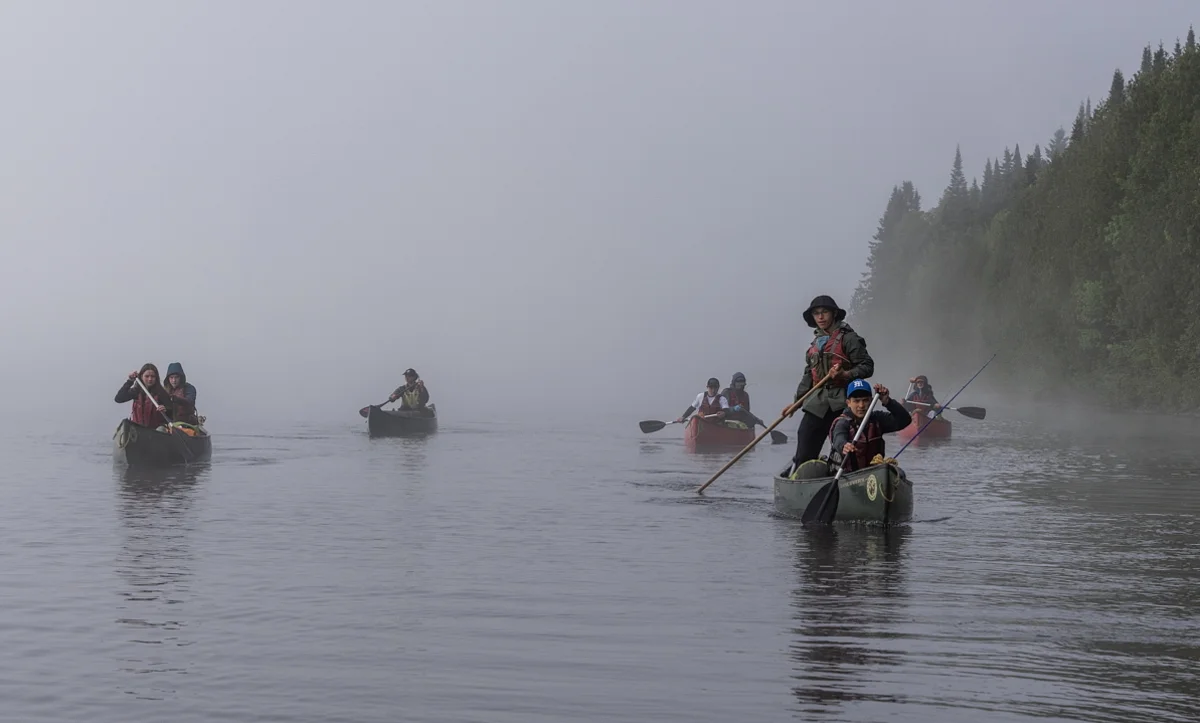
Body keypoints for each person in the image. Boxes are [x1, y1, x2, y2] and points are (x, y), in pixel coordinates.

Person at [783, 295, 875, 470]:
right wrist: (796, 403)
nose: (820, 317)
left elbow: (867, 367)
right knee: (805, 442)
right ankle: (802, 474)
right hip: (817, 403)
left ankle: (845, 475)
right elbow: (808, 376)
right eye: (816, 313)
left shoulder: (849, 339)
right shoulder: (814, 345)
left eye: (824, 312)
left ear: (833, 314)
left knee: (843, 448)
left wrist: (845, 374)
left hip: (843, 403)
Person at [827, 379, 912, 472]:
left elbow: (905, 420)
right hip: (847, 475)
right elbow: (838, 437)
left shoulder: (877, 419)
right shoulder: (842, 422)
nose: (861, 405)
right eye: (856, 401)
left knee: (899, 473)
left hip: (873, 473)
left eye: (865, 400)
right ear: (848, 403)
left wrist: (888, 402)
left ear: (871, 401)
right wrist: (844, 445)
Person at [114, 363, 170, 428]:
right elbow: (118, 399)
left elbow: (171, 411)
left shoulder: (161, 393)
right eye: (147, 376)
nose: (150, 379)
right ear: (141, 377)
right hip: (138, 430)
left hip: (156, 432)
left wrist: (165, 409)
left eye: (153, 376)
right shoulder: (136, 391)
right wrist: (130, 381)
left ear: (156, 378)